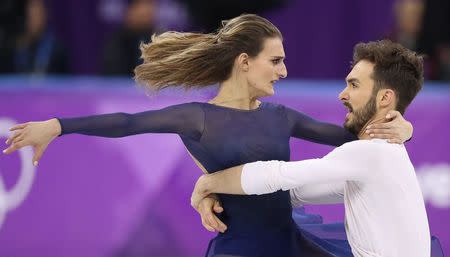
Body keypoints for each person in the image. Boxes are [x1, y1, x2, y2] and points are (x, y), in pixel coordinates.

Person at [3, 15, 413, 257]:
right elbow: (126, 123)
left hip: (290, 247)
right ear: (244, 62)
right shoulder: (198, 118)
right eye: (275, 61)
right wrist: (57, 126)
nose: (283, 71)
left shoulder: (281, 117)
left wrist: (404, 127)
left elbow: (359, 140)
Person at [191, 40, 431, 257]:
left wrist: (207, 183)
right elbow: (292, 193)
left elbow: (276, 175)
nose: (342, 95)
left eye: (354, 85)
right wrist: (218, 195)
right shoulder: (383, 155)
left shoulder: (372, 152)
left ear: (385, 98)